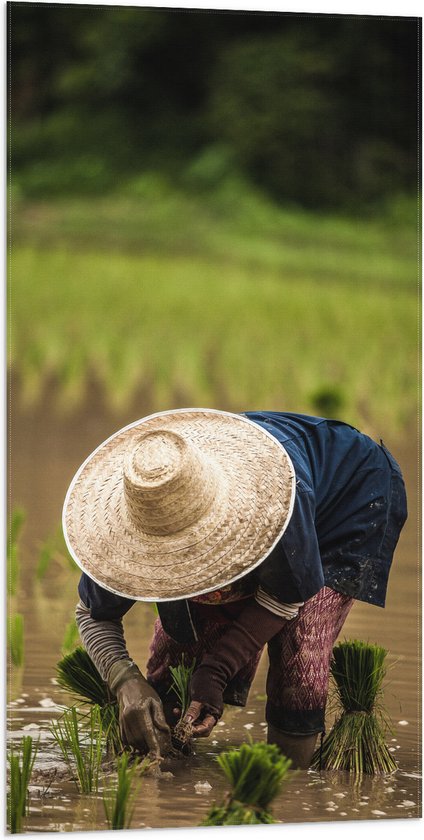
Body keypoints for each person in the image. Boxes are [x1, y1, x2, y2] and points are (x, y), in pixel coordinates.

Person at [64, 408, 407, 769]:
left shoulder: (272, 506)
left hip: (347, 496)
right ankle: (168, 759)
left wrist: (217, 670)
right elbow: (91, 613)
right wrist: (125, 682)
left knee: (300, 649)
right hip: (249, 492)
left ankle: (286, 785)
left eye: (191, 549)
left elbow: (287, 595)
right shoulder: (131, 524)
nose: (180, 561)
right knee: (181, 648)